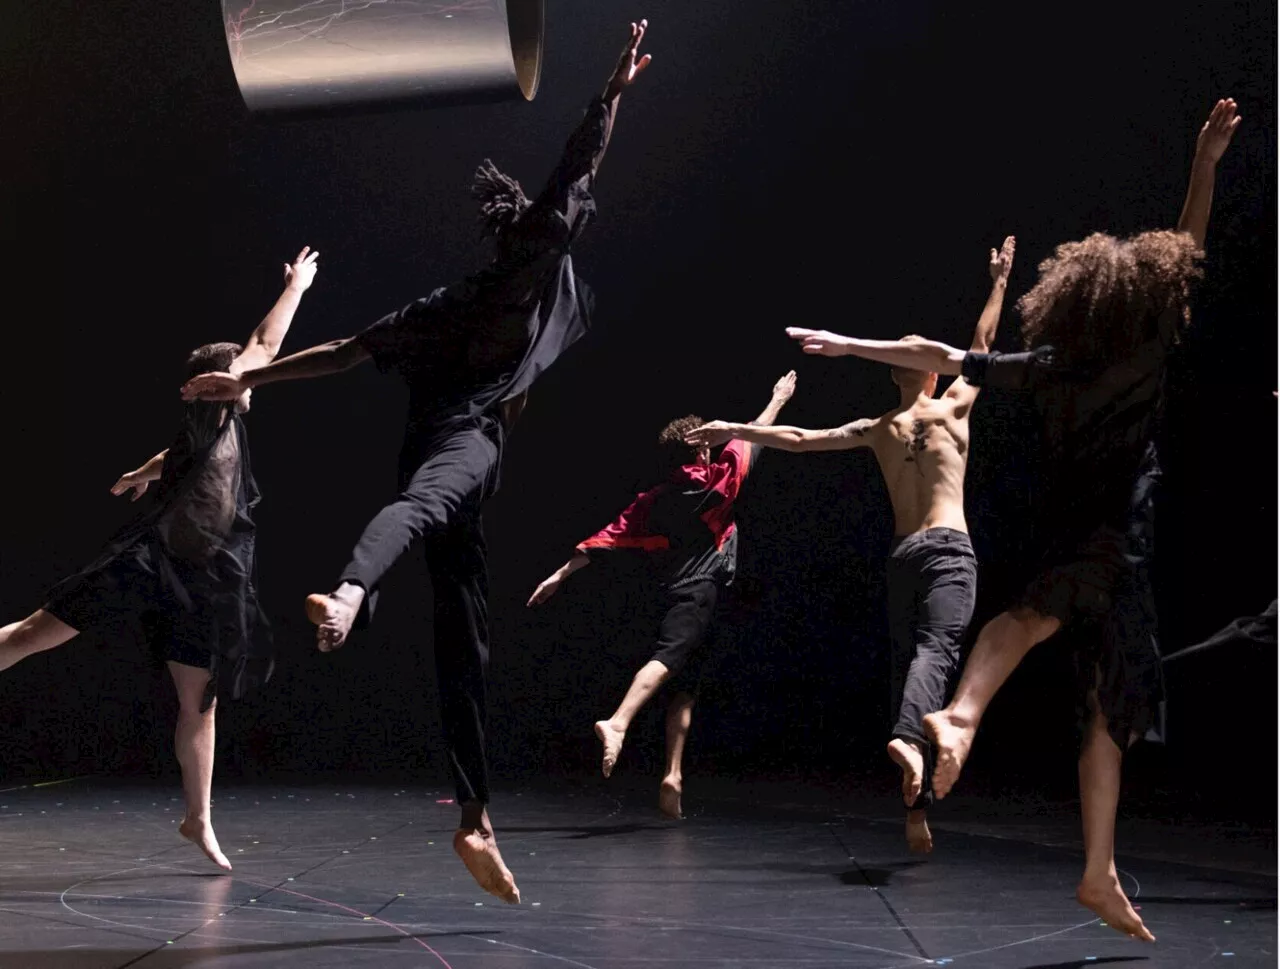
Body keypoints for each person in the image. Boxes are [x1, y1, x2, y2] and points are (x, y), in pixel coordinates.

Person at [181, 21, 653, 905]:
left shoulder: (449, 301)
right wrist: (611, 94)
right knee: (429, 509)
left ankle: (475, 818)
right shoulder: (531, 266)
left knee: (463, 636)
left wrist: (250, 379)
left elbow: (344, 352)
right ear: (536, 235)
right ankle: (353, 593)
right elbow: (578, 165)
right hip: (467, 442)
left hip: (442, 443)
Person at [782, 99, 1241, 941]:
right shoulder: (1147, 348)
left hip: (1068, 524)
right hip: (1121, 539)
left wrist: (851, 346)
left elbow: (949, 356)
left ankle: (1087, 857)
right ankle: (969, 731)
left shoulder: (1053, 362)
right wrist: (1204, 165)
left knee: (1060, 654)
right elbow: (1188, 250)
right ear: (1143, 303)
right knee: (1100, 691)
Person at [687, 239, 1015, 853]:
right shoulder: (954, 411)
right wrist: (999, 283)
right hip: (946, 551)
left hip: (901, 557)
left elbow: (800, 437)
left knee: (914, 669)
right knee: (938, 653)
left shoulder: (878, 429)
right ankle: (909, 746)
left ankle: (916, 804)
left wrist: (735, 426)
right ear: (934, 370)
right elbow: (982, 347)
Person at [0, 246, 321, 871]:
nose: (250, 381)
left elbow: (175, 458)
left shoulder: (219, 431)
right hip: (153, 561)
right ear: (214, 383)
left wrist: (140, 473)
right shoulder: (213, 405)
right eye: (239, 375)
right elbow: (263, 344)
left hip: (211, 580)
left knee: (200, 701)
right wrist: (298, 288)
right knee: (37, 633)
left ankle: (196, 821)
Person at [528, 371, 797, 819]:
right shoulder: (717, 481)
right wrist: (778, 398)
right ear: (702, 448)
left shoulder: (653, 498)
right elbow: (757, 435)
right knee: (668, 658)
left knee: (686, 686)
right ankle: (618, 721)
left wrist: (560, 573)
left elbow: (607, 537)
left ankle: (672, 774)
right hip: (701, 592)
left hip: (676, 592)